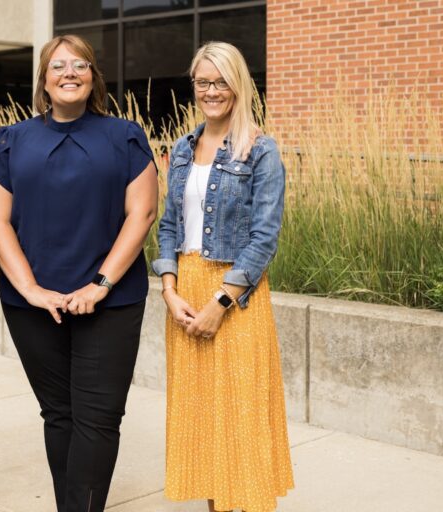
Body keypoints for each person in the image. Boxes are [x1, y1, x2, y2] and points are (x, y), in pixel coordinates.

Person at [0, 34, 158, 512]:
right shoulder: (11, 140)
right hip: (33, 306)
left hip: (111, 304)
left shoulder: (124, 135)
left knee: (98, 418)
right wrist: (32, 289)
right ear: (44, 80)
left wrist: (99, 285)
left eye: (80, 65)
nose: (69, 73)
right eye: (58, 66)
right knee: (59, 415)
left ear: (92, 76)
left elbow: (140, 215)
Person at [152, 42, 295, 512]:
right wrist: (169, 291)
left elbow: (264, 238)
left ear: (238, 85)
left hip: (236, 297)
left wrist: (221, 303)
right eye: (203, 82)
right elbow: (170, 225)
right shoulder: (181, 148)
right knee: (204, 423)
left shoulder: (261, 150)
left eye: (220, 82)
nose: (211, 91)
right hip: (186, 291)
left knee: (241, 418)